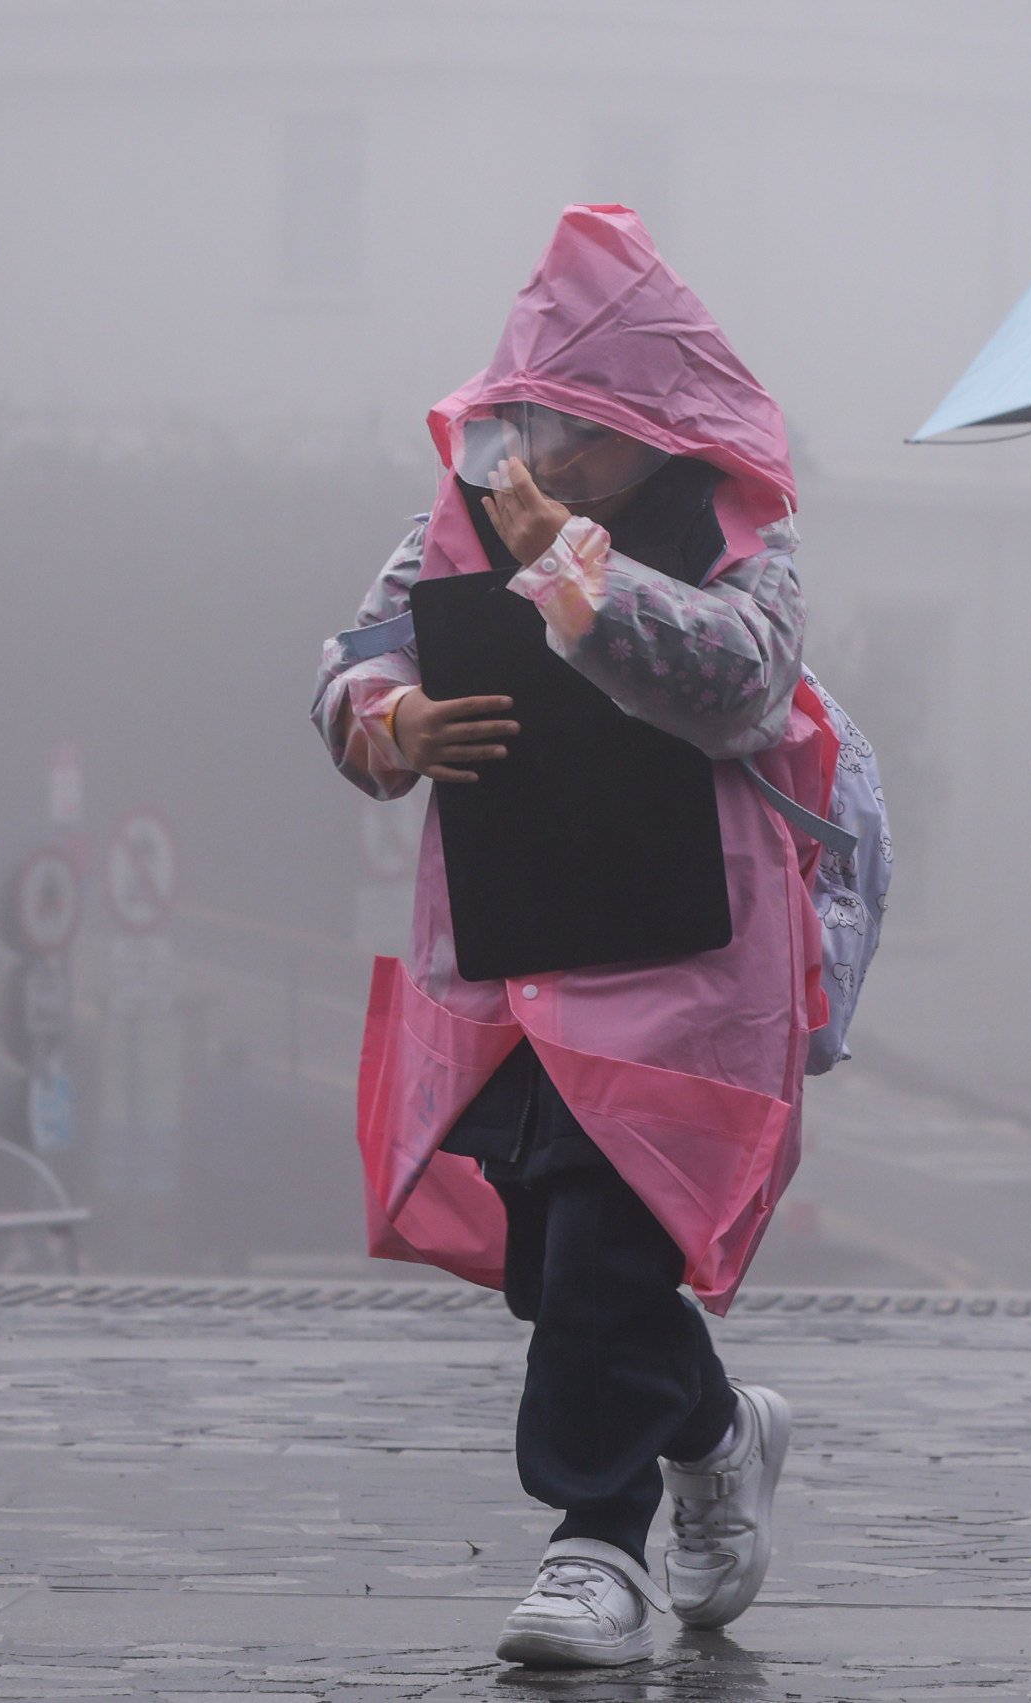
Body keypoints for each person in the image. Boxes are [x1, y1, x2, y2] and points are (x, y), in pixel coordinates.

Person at [310, 206, 841, 1668]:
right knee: (557, 1264)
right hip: (519, 945)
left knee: (610, 1248)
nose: (548, 458)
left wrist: (576, 582)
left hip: (682, 961)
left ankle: (591, 1541)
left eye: (584, 430)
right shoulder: (451, 524)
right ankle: (718, 1429)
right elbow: (359, 652)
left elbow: (740, 681)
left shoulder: (737, 535)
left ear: (658, 427)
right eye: (532, 422)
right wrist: (387, 719)